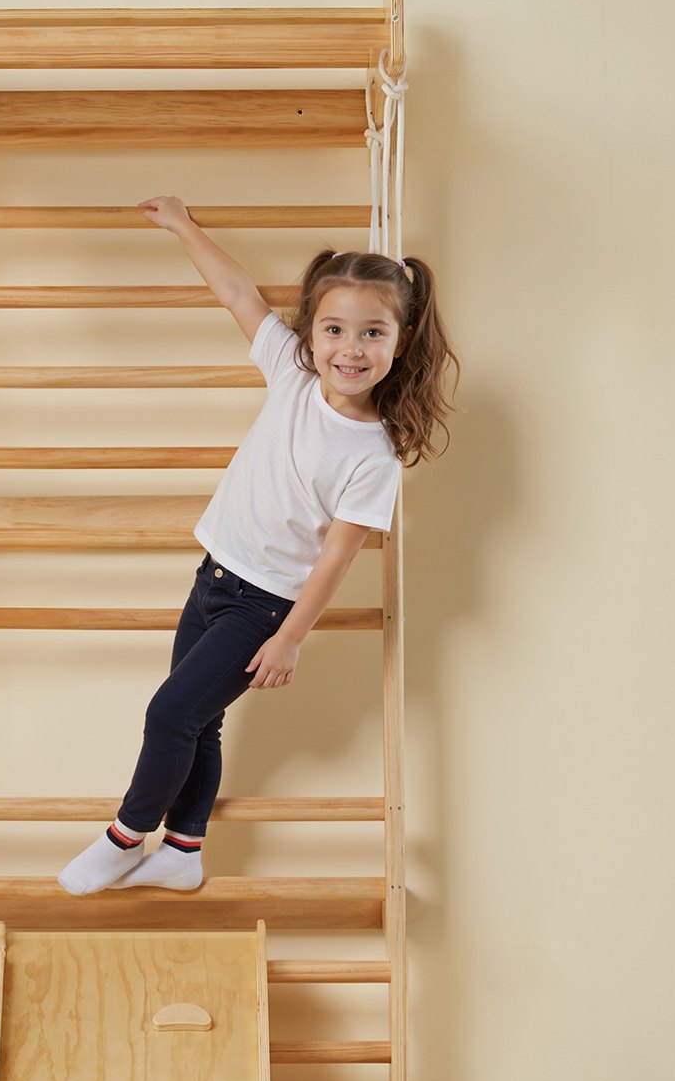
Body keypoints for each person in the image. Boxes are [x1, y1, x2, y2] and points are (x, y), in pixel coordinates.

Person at [58, 196, 459, 896]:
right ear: (313, 335)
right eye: (335, 329)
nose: (351, 348)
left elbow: (337, 556)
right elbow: (238, 292)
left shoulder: (375, 455)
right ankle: (183, 850)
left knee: (169, 713)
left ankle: (126, 838)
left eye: (372, 333)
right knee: (200, 723)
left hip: (264, 607)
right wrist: (184, 226)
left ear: (401, 341)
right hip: (213, 577)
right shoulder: (293, 375)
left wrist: (293, 637)